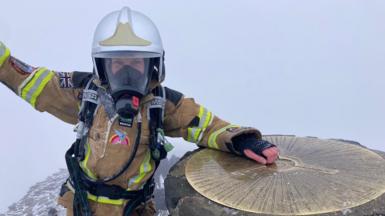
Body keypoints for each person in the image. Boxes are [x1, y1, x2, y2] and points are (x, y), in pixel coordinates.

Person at [0, 7, 279, 216]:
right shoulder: (85, 92)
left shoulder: (163, 104)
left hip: (134, 209)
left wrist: (242, 140)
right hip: (77, 206)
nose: (127, 72)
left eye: (137, 63)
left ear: (153, 66)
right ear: (102, 67)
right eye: (117, 64)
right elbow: (29, 80)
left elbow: (206, 125)